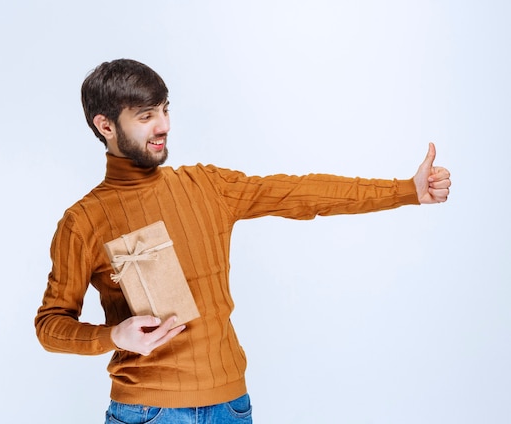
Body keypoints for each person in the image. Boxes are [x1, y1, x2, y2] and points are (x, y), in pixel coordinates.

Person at [34, 58, 451, 423]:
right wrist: (114, 337)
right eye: (145, 116)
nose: (164, 125)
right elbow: (50, 324)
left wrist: (407, 190)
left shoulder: (207, 186)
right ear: (105, 125)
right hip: (147, 411)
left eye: (164, 109)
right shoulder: (83, 221)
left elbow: (303, 193)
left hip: (231, 405)